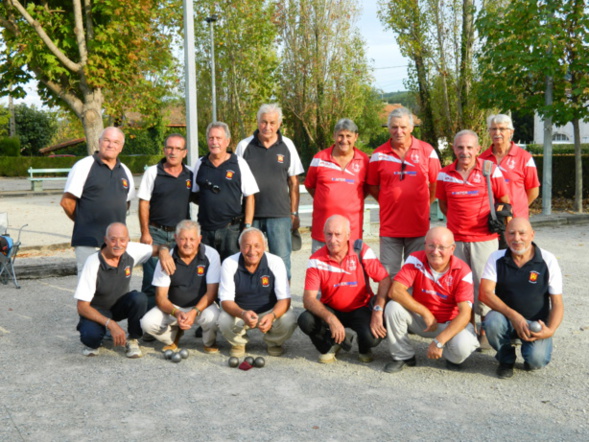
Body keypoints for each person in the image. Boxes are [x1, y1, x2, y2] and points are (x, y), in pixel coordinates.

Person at [436, 129, 510, 345]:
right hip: (455, 241)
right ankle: (465, 329)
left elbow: (504, 201)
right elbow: (443, 205)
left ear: (478, 149)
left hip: (484, 239)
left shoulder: (490, 170)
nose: (465, 152)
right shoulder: (444, 173)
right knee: (459, 286)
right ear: (453, 149)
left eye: (469, 147)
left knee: (484, 286)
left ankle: (486, 330)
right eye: (460, 147)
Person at [383, 227, 479, 373]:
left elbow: (465, 314)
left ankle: (450, 356)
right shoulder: (416, 258)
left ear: (452, 248)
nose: (435, 251)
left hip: (449, 323)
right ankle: (403, 356)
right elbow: (395, 290)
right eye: (431, 245)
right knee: (393, 307)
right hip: (423, 321)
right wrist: (425, 312)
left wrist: (439, 341)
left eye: (442, 247)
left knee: (463, 346)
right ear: (424, 245)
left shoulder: (463, 270)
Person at [298, 215, 390, 364]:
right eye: (328, 234)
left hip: (360, 307)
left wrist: (378, 310)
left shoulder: (362, 250)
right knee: (305, 320)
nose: (332, 240)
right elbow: (308, 299)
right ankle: (332, 344)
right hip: (332, 308)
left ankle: (363, 347)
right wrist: (331, 318)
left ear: (348, 235)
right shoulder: (316, 259)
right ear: (323, 234)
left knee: (372, 337)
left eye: (338, 234)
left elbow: (385, 279)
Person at [480, 218, 564, 379]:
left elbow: (558, 303)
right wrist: (514, 316)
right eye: (511, 233)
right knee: (492, 321)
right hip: (505, 319)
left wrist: (550, 330)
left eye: (522, 233)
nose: (516, 238)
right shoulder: (496, 257)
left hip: (535, 324)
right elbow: (485, 293)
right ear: (505, 235)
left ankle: (530, 351)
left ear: (532, 235)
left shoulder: (548, 260)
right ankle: (506, 360)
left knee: (537, 362)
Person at [367, 107, 441, 277]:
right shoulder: (378, 154)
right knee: (387, 274)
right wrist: (387, 201)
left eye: (403, 127)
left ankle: (410, 304)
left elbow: (436, 183)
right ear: (388, 128)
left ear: (411, 127)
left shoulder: (427, 151)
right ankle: (389, 304)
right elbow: (371, 185)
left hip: (418, 226)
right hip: (390, 227)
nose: (398, 131)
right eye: (394, 127)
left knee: (415, 274)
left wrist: (424, 205)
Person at [74, 223, 164, 358]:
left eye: (122, 240)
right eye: (113, 239)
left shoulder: (131, 250)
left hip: (119, 305)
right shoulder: (93, 262)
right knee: (91, 338)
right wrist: (111, 324)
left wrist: (165, 253)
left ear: (128, 240)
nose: (118, 244)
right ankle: (99, 332)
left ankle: (133, 339)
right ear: (105, 240)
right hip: (97, 309)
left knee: (139, 298)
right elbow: (82, 307)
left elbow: (159, 248)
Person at [235, 103, 304, 280]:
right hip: (251, 217)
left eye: (272, 123)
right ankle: (253, 300)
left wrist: (294, 212)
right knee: (250, 261)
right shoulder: (244, 146)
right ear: (257, 122)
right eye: (264, 122)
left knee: (281, 262)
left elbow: (294, 182)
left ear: (279, 124)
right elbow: (236, 182)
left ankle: (283, 303)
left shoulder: (287, 145)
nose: (268, 127)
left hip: (280, 215)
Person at [61, 127, 135, 275]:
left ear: (121, 147)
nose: (111, 145)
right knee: (88, 282)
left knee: (113, 282)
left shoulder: (125, 171)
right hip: (89, 240)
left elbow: (126, 203)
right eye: (107, 140)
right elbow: (67, 202)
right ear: (99, 142)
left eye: (116, 142)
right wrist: (84, 221)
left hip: (116, 243)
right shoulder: (84, 166)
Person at [140, 220, 221, 353]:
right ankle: (172, 338)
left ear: (199, 239)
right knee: (147, 323)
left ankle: (209, 342)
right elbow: (160, 297)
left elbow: (211, 293)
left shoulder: (211, 255)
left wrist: (193, 312)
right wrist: (177, 313)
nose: (187, 243)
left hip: (200, 307)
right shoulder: (166, 257)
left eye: (192, 239)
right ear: (176, 238)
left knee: (214, 317)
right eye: (183, 239)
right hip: (174, 307)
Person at [218, 227, 297, 357]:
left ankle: (273, 342)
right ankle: (238, 343)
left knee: (289, 319)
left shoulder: (276, 262)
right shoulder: (229, 263)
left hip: (268, 310)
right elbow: (226, 301)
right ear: (240, 247)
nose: (252, 251)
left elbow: (285, 299)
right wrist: (243, 313)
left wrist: (272, 316)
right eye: (247, 246)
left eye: (257, 246)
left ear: (265, 246)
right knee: (224, 319)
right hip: (241, 311)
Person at [137, 134, 192, 309]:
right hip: (155, 234)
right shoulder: (152, 172)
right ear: (164, 150)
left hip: (181, 237)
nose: (173, 152)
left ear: (184, 152)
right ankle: (147, 326)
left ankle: (174, 322)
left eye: (177, 149)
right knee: (151, 281)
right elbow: (143, 203)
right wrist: (145, 232)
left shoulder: (190, 174)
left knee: (178, 279)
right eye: (170, 148)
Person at [192, 122, 259, 261]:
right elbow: (195, 194)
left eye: (218, 138)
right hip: (205, 230)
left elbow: (250, 196)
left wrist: (247, 226)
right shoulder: (200, 164)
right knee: (207, 273)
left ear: (227, 141)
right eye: (211, 138)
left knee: (230, 272)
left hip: (231, 231)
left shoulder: (239, 163)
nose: (214, 142)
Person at [304, 119, 369, 252]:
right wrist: (326, 199)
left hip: (352, 233)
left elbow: (368, 188)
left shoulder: (364, 161)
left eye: (348, 136)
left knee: (351, 272)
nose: (344, 140)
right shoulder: (319, 158)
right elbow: (310, 185)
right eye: (340, 135)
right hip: (322, 232)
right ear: (334, 135)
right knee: (320, 270)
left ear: (356, 137)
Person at [479, 114, 540, 219]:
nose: (497, 133)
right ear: (489, 132)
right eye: (493, 129)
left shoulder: (524, 157)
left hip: (516, 218)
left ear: (511, 132)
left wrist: (518, 209)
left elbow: (533, 191)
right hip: (490, 218)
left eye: (502, 129)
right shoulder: (482, 158)